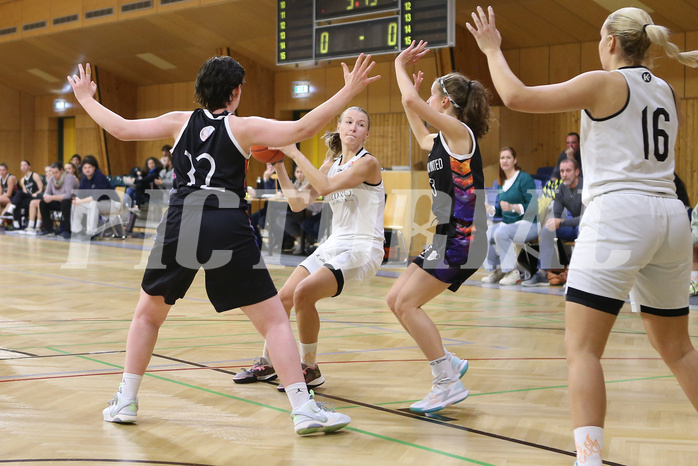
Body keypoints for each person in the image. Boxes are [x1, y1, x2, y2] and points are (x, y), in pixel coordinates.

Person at [68, 53, 378, 434]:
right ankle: (303, 408)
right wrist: (347, 91)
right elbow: (304, 127)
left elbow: (120, 128)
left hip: (182, 219)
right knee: (274, 321)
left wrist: (85, 99)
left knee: (148, 315)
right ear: (235, 92)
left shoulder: (178, 121)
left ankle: (126, 400)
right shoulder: (243, 127)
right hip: (226, 221)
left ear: (201, 90)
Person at [469, 6, 698, 466]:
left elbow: (515, 96)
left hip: (619, 214)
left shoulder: (604, 81)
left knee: (582, 349)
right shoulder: (668, 91)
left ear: (611, 42)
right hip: (672, 215)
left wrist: (492, 50)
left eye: (599, 37)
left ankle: (588, 460)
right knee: (677, 347)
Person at [233, 107, 384, 390]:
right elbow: (298, 203)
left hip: (363, 249)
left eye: (360, 124)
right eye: (348, 122)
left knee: (303, 295)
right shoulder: (331, 163)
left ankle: (310, 367)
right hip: (335, 244)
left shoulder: (368, 164)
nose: (353, 127)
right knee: (283, 299)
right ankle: (268, 363)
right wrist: (278, 164)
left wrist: (293, 151)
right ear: (339, 127)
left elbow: (325, 188)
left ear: (367, 134)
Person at [385, 41, 490, 413]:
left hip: (464, 238)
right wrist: (410, 97)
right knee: (395, 299)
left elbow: (415, 104)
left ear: (444, 102)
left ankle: (446, 382)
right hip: (446, 235)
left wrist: (399, 64)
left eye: (432, 94)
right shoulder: (439, 142)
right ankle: (449, 361)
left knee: (409, 303)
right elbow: (416, 121)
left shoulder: (461, 134)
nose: (425, 98)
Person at [481, 147, 538, 285]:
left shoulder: (524, 178)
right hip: (508, 224)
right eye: (502, 158)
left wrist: (513, 207)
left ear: (515, 160)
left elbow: (533, 206)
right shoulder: (501, 182)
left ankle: (512, 271)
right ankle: (498, 270)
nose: (505, 161)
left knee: (501, 232)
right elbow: (501, 212)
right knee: (484, 234)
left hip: (529, 224)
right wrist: (490, 209)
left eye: (508, 157)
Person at [523, 157, 583, 286]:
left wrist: (561, 223)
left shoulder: (585, 187)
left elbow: (586, 218)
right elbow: (556, 214)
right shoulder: (561, 188)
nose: (564, 174)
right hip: (571, 225)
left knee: (582, 229)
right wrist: (553, 221)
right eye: (562, 171)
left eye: (568, 171)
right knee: (547, 228)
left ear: (577, 172)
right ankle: (543, 272)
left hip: (585, 226)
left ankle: (577, 276)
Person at [71, 155, 119, 239]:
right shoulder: (84, 179)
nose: (87, 170)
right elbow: (80, 194)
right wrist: (76, 201)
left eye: (89, 167)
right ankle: (76, 231)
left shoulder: (100, 177)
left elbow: (96, 197)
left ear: (94, 168)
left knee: (93, 204)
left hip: (112, 203)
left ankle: (91, 233)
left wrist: (80, 201)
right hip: (97, 204)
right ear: (82, 169)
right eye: (85, 168)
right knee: (76, 205)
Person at [37, 162, 79, 238]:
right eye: (52, 172)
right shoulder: (52, 179)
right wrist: (46, 197)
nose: (54, 174)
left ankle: (67, 231)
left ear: (61, 170)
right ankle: (48, 229)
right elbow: (46, 193)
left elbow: (68, 195)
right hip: (59, 201)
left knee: (65, 202)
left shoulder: (69, 177)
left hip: (72, 202)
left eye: (56, 172)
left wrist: (52, 197)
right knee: (43, 203)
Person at [10, 160, 43, 230]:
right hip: (29, 197)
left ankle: (10, 208)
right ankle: (16, 225)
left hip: (36, 196)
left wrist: (35, 193)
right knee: (17, 203)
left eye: (25, 165)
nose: (23, 167)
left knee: (19, 193)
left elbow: (41, 189)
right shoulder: (22, 180)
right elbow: (25, 193)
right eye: (21, 165)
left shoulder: (34, 175)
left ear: (29, 166)